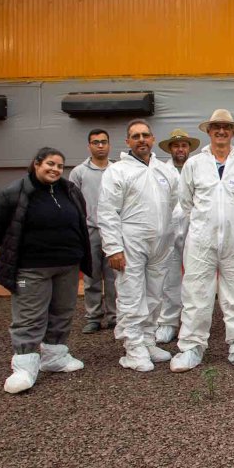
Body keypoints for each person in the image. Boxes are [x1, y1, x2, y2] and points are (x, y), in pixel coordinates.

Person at [0, 147, 91, 394]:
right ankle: (24, 365)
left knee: (62, 311)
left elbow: (81, 219)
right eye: (50, 164)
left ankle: (54, 357)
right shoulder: (14, 192)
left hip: (67, 265)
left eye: (59, 166)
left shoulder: (69, 190)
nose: (55, 169)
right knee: (29, 315)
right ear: (36, 163)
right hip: (30, 268)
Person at [170, 109, 234, 372]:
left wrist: (231, 223)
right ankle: (191, 347)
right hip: (200, 241)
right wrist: (206, 224)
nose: (221, 131)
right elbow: (186, 203)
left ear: (233, 132)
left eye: (226, 127)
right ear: (209, 132)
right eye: (216, 127)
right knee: (196, 294)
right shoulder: (195, 164)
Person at [98, 119, 179, 371]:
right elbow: (107, 211)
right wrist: (113, 247)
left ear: (153, 139)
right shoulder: (117, 171)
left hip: (161, 244)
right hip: (130, 243)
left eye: (145, 135)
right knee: (132, 295)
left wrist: (173, 236)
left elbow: (177, 205)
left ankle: (147, 339)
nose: (141, 139)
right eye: (136, 136)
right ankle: (133, 347)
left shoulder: (165, 170)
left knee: (155, 295)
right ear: (128, 142)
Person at [154, 128, 200, 344]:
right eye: (176, 146)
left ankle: (194, 324)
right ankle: (168, 322)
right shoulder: (161, 171)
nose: (180, 149)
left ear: (189, 148)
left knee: (195, 277)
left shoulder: (198, 168)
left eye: (183, 145)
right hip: (170, 228)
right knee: (170, 278)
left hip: (195, 229)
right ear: (170, 149)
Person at [69, 128, 117, 334]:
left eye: (103, 142)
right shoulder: (79, 172)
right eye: (95, 142)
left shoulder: (118, 169)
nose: (100, 145)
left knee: (115, 277)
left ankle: (115, 316)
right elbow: (73, 203)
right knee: (91, 276)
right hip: (90, 231)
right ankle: (93, 317)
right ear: (89, 145)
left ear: (109, 145)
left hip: (113, 230)